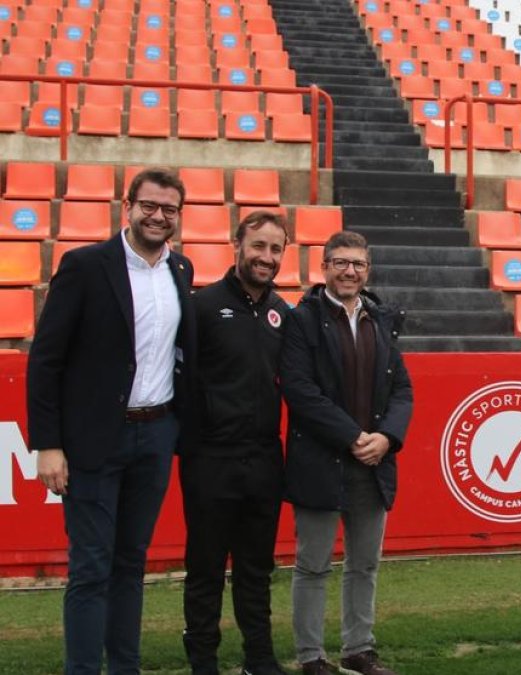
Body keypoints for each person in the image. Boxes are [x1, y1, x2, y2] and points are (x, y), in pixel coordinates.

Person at [28, 168, 196, 674]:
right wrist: (48, 445)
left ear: (178, 217)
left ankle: (125, 667)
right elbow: (46, 360)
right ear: (128, 207)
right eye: (149, 206)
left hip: (156, 434)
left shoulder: (181, 271)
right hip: (95, 440)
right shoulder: (85, 266)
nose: (158, 216)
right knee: (90, 568)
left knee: (131, 565)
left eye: (169, 209)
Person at [281, 231, 414, 675]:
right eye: (340, 262)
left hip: (373, 465)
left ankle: (359, 649)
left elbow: (402, 390)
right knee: (313, 564)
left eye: (357, 264)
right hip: (321, 462)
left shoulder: (380, 319)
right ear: (324, 268)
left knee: (365, 564)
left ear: (367, 271)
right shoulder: (302, 320)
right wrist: (353, 437)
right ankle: (311, 657)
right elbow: (300, 391)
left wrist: (387, 438)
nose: (350, 271)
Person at [181, 211, 292, 675]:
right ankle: (203, 662)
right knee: (205, 568)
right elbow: (181, 380)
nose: (266, 257)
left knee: (256, 570)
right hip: (210, 460)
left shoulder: (284, 314)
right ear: (236, 245)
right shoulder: (202, 307)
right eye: (258, 246)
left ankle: (259, 660)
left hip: (265, 459)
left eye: (275, 250)